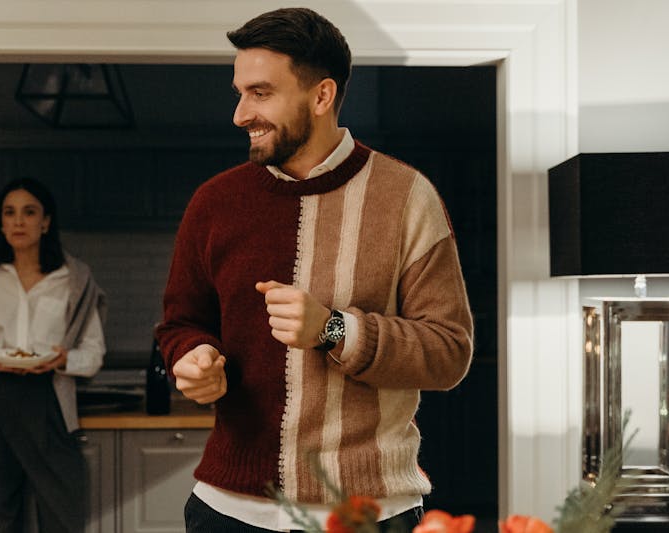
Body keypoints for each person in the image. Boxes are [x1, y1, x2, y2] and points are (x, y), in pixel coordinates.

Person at [155, 7, 474, 533]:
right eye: (239, 92)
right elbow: (179, 323)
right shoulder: (213, 202)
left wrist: (333, 329)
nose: (239, 113)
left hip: (369, 516)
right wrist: (192, 358)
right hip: (228, 513)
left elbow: (449, 352)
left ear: (321, 96)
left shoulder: (406, 197)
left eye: (260, 93)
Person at [0, 177, 106, 533]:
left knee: (63, 516)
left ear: (46, 222)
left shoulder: (74, 279)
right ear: (1, 223)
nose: (19, 221)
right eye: (10, 212)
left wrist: (63, 360)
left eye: (29, 212)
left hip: (49, 401)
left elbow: (94, 353)